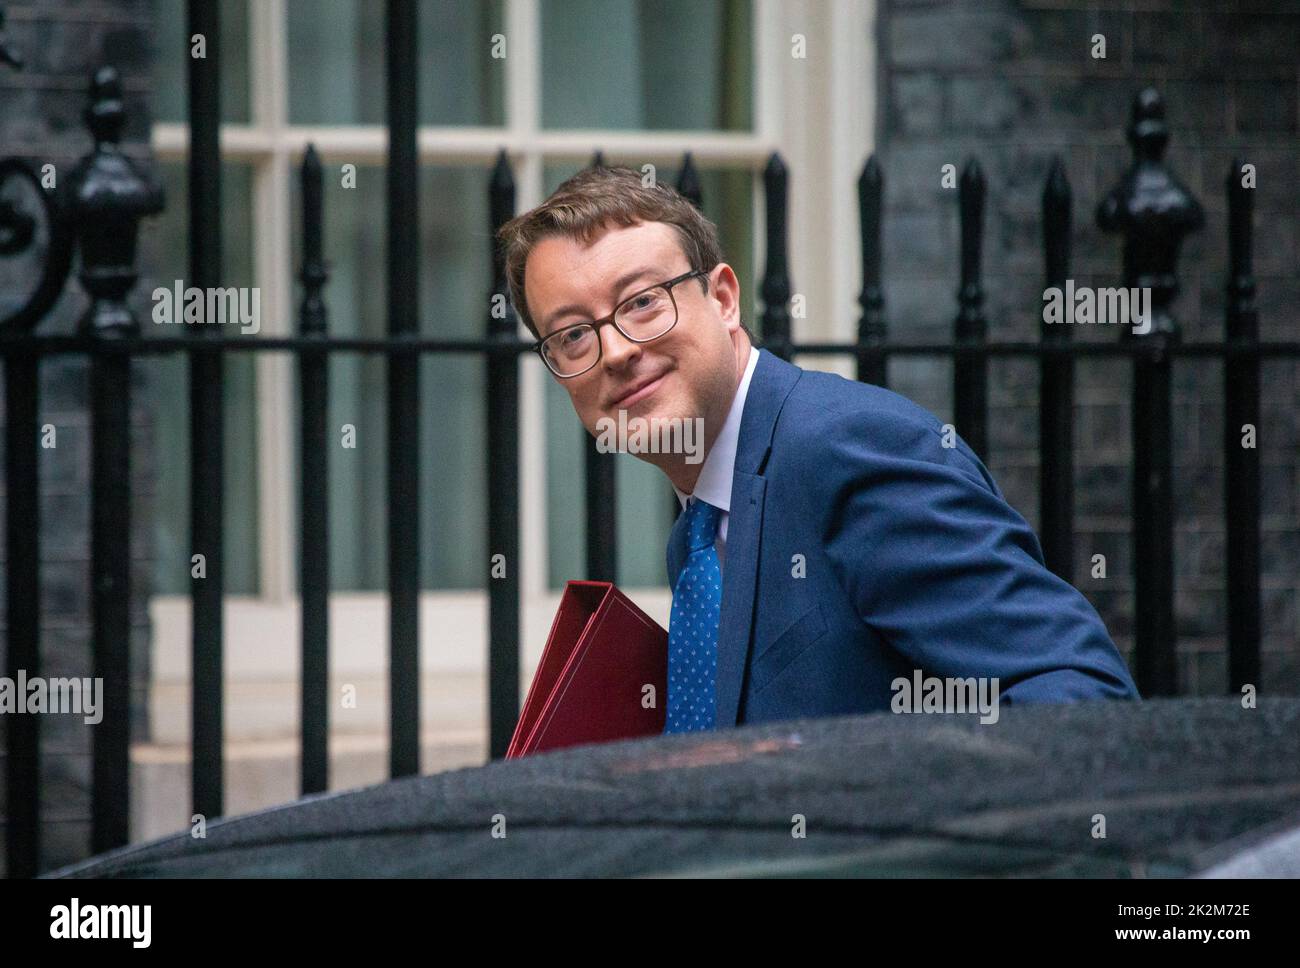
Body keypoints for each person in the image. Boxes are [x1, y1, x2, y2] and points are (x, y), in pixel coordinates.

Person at [497, 165, 1140, 735]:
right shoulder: (698, 532)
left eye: (642, 302)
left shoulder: (850, 447)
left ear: (722, 299)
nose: (616, 351)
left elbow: (1078, 695)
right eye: (574, 335)